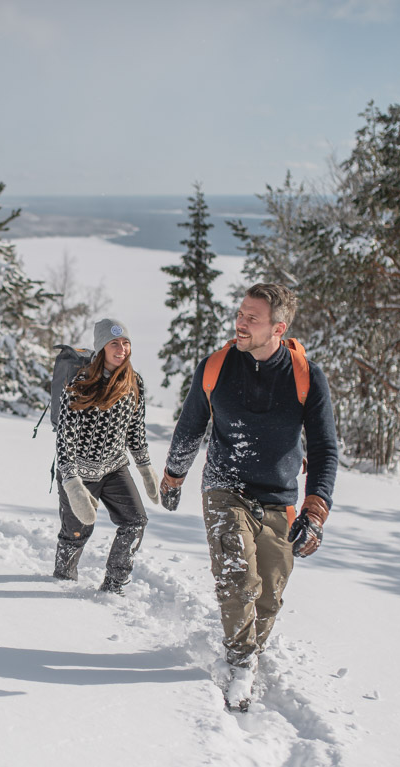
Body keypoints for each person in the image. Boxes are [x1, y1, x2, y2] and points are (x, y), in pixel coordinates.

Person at [161, 283, 338, 711]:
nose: (241, 322)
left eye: (252, 317)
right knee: (236, 576)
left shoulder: (306, 376)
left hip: (280, 497)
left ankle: (249, 649)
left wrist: (315, 509)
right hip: (224, 486)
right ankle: (240, 664)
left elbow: (324, 448)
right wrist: (173, 477)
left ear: (278, 327)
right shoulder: (217, 367)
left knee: (268, 595)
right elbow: (190, 427)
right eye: (241, 313)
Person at [53, 318, 161, 594]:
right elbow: (64, 437)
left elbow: (136, 430)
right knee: (76, 534)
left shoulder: (134, 382)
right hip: (78, 474)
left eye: (126, 343)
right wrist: (71, 482)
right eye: (114, 343)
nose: (122, 349)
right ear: (101, 348)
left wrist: (145, 467)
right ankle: (61, 583)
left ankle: (114, 585)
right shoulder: (79, 383)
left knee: (135, 521)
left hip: (114, 468)